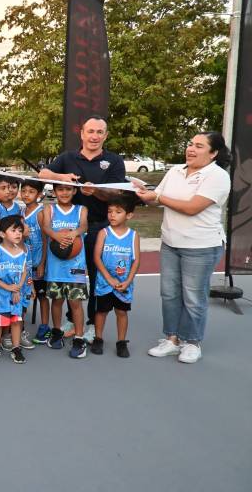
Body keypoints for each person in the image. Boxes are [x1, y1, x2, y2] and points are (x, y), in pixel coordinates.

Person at [138, 132, 231, 364]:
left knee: (193, 297)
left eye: (199, 146)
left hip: (201, 247)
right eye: (190, 144)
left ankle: (192, 342)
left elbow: (192, 208)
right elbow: (155, 197)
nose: (191, 148)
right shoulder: (175, 171)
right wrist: (140, 191)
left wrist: (158, 197)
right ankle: (171, 339)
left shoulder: (217, 176)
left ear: (213, 153)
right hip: (171, 243)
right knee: (169, 294)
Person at [38, 116, 126, 341]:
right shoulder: (67, 158)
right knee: (69, 276)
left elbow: (119, 194)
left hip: (99, 228)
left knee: (97, 278)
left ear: (105, 135)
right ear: (82, 134)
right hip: (69, 231)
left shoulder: (114, 161)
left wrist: (96, 191)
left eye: (100, 132)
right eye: (91, 131)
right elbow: (43, 174)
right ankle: (70, 318)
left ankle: (91, 323)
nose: (95, 136)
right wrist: (62, 177)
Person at [41, 184, 89, 359]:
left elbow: (83, 226)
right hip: (55, 266)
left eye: (68, 189)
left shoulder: (81, 209)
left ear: (74, 191)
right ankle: (56, 331)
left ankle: (79, 337)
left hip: (75, 265)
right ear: (54, 192)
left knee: (75, 303)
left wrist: (73, 233)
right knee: (57, 301)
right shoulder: (50, 209)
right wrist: (57, 236)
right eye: (60, 189)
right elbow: (46, 227)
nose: (64, 193)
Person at [91, 195, 140, 358]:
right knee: (101, 312)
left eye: (118, 212)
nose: (112, 215)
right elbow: (97, 257)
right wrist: (109, 278)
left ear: (129, 215)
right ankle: (98, 338)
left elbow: (136, 260)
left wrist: (128, 281)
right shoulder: (104, 233)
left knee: (121, 312)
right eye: (110, 211)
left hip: (123, 284)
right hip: (105, 282)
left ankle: (121, 342)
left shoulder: (133, 236)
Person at [0, 215, 30, 364]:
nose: (18, 233)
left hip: (16, 294)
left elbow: (24, 272)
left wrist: (17, 289)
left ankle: (16, 348)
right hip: (0, 293)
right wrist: (8, 287)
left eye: (20, 230)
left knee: (16, 322)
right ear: (2, 234)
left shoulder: (23, 252)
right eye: (14, 230)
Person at [21, 179, 51, 344]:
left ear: (39, 195)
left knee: (41, 295)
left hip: (38, 261)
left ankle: (45, 326)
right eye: (23, 191)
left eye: (31, 191)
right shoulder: (21, 212)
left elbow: (46, 239)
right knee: (25, 294)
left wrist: (42, 263)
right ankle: (20, 327)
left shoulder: (40, 212)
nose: (26, 194)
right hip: (26, 262)